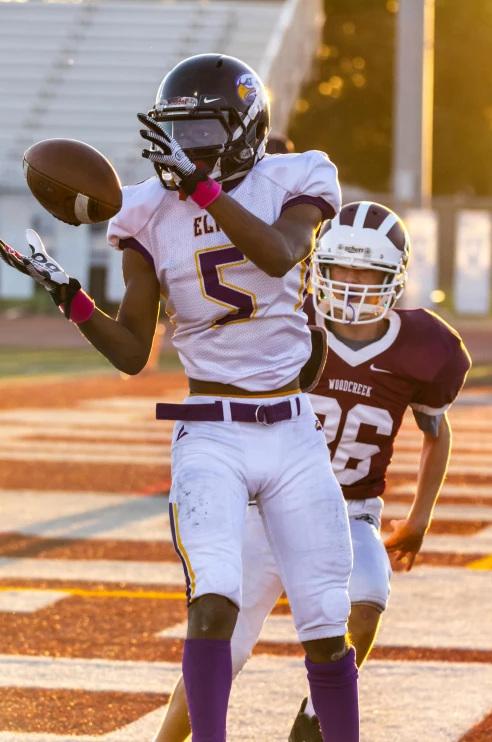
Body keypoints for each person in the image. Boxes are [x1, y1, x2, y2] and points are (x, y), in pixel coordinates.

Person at [0, 54, 360, 742]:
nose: (183, 150)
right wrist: (71, 299)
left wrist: (205, 195)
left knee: (325, 622)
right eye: (176, 133)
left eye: (201, 132)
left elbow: (281, 254)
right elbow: (135, 352)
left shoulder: (296, 178)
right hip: (210, 433)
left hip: (292, 429)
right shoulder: (143, 212)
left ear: (245, 131)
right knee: (213, 603)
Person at [152, 200, 471, 742]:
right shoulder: (286, 321)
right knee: (219, 651)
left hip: (349, 513)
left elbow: (435, 432)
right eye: (340, 267)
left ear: (394, 277)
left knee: (367, 598)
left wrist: (420, 517)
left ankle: (312, 719)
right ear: (316, 265)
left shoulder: (429, 347)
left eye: (366, 271)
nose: (350, 283)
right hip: (262, 505)